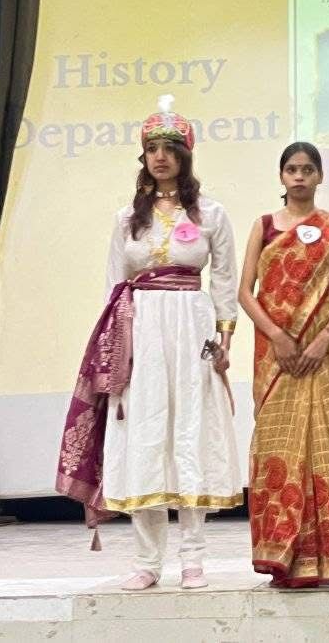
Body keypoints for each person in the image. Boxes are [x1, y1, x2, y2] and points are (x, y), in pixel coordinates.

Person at [56, 95, 241, 591]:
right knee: (144, 434)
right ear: (144, 156)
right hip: (141, 332)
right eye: (153, 149)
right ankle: (147, 561)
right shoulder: (127, 218)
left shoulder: (210, 214)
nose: (160, 157)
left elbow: (225, 281)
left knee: (190, 434)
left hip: (192, 327)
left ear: (185, 156)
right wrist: (114, 348)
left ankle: (193, 559)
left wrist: (223, 339)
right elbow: (113, 285)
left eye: (170, 149)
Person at [238, 142, 329, 587]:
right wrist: (277, 337)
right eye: (292, 169)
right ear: (281, 176)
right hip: (277, 358)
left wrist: (324, 337)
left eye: (307, 169)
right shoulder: (263, 227)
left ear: (319, 176)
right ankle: (283, 552)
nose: (299, 176)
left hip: (326, 356)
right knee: (277, 447)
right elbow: (245, 292)